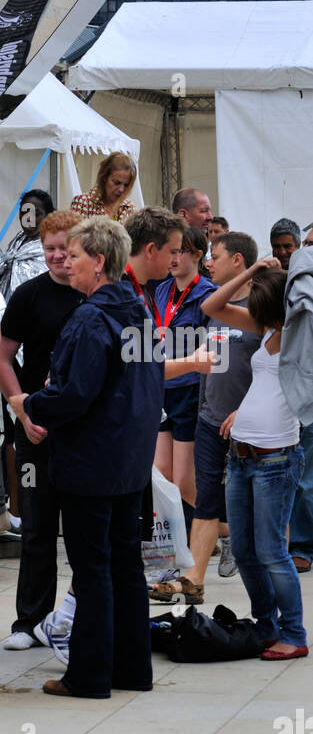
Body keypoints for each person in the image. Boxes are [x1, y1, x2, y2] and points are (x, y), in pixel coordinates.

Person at [17, 218, 163, 698]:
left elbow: (75, 394)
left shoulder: (91, 317)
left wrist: (32, 403)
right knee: (125, 563)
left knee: (93, 567)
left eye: (75, 256)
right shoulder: (139, 309)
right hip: (129, 459)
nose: (67, 263)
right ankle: (132, 670)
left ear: (99, 263)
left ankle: (90, 675)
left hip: (91, 459)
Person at [202, 258, 307, 658]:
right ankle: (268, 626)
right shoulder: (267, 330)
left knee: (271, 552)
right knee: (244, 551)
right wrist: (251, 273)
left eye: (261, 308)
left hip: (276, 460)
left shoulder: (301, 338)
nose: (254, 316)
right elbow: (211, 308)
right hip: (241, 456)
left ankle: (294, 635)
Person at [0, 211, 84, 651]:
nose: (58, 257)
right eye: (50, 249)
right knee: (36, 529)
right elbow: (2, 358)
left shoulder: (96, 297)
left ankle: (78, 616)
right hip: (36, 430)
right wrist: (21, 409)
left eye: (66, 248)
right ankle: (29, 621)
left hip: (84, 432)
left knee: (86, 531)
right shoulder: (28, 295)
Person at [151, 231, 259, 604]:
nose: (210, 261)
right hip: (208, 416)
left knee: (253, 501)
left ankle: (256, 555)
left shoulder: (261, 309)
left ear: (239, 261)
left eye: (216, 255)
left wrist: (245, 410)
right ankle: (194, 576)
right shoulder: (213, 307)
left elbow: (274, 369)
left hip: (250, 422)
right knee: (204, 495)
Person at [153, 225, 213, 528]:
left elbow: (213, 349)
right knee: (161, 473)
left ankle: (224, 531)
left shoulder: (208, 294)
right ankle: (180, 542)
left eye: (180, 252)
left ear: (198, 255)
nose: (173, 258)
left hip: (189, 390)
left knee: (184, 481)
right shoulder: (161, 289)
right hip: (162, 388)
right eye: (170, 251)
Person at [280, 242, 313, 575]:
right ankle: (301, 544)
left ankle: (302, 544)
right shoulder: (300, 281)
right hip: (304, 392)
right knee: (304, 477)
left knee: (305, 477)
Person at [0, 190, 55, 299]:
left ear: (48, 216)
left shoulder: (51, 246)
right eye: (25, 212)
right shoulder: (19, 239)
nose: (28, 218)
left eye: (36, 213)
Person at [70, 153, 137, 223]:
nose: (121, 189)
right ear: (104, 177)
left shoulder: (129, 208)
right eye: (117, 183)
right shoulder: (82, 203)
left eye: (126, 185)